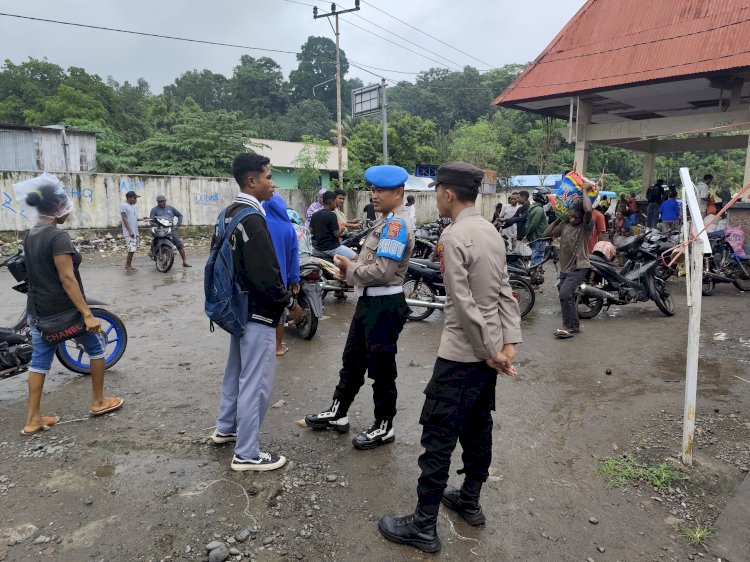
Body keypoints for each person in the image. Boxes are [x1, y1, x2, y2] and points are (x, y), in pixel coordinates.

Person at [378, 162, 521, 553]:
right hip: (487, 356)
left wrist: (492, 352)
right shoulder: (490, 230)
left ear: (447, 193)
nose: (436, 195)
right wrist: (508, 345)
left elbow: (462, 302)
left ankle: (423, 525)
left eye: (437, 189)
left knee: (438, 435)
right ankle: (469, 501)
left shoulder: (454, 236)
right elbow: (505, 291)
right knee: (478, 426)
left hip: (462, 355)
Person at [304, 165, 414, 450]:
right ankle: (338, 412)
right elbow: (370, 264)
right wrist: (348, 270)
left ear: (398, 192)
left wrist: (350, 269)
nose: (374, 195)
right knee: (352, 360)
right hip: (369, 300)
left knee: (381, 368)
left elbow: (383, 271)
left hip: (385, 304)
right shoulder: (384, 221)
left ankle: (384, 425)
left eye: (380, 190)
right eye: (373, 190)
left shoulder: (396, 225)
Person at [209, 151, 303, 472]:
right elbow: (267, 275)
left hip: (236, 309)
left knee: (235, 372)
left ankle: (226, 428)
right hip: (259, 314)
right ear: (252, 181)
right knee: (256, 383)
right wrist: (290, 304)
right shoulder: (253, 218)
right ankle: (247, 453)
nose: (272, 184)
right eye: (268, 177)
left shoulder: (227, 214)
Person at [14, 173, 124, 436]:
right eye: (64, 204)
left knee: (39, 361)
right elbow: (67, 278)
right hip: (64, 311)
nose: (67, 210)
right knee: (97, 347)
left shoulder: (30, 234)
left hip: (38, 310)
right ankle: (98, 401)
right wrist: (87, 314)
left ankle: (33, 419)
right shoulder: (57, 237)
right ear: (56, 208)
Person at [544, 191, 595, 339]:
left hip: (579, 266)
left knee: (565, 294)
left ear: (582, 217)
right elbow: (546, 234)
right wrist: (558, 220)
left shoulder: (585, 227)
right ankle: (575, 326)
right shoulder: (565, 224)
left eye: (576, 217)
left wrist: (585, 190)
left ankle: (567, 326)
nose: (573, 218)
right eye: (571, 215)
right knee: (568, 297)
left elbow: (589, 210)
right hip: (565, 268)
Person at [262, 194, 300, 357]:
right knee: (279, 313)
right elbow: (293, 256)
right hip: (280, 279)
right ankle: (277, 347)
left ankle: (263, 346)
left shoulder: (261, 224)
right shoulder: (288, 228)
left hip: (261, 278)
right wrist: (294, 279)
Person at [310, 191, 357, 260]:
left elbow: (311, 230)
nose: (335, 205)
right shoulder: (332, 215)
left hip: (319, 247)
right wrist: (342, 230)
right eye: (335, 202)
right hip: (332, 248)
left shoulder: (315, 215)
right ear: (332, 202)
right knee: (357, 258)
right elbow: (337, 234)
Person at [149, 195, 191, 267]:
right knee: (154, 239)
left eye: (163, 201)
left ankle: (184, 261)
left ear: (165, 201)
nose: (162, 203)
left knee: (178, 243)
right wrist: (154, 224)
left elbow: (180, 215)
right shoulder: (154, 210)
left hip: (170, 228)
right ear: (157, 202)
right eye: (160, 202)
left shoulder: (170, 208)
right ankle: (152, 252)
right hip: (159, 228)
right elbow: (151, 220)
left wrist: (178, 225)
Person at [121, 190, 147, 272]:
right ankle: (127, 266)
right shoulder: (124, 206)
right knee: (131, 249)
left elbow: (134, 218)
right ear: (129, 198)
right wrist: (130, 231)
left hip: (134, 231)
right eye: (135, 198)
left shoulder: (132, 206)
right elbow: (124, 219)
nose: (136, 200)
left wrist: (142, 219)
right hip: (130, 232)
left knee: (133, 249)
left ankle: (128, 265)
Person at [524, 189, 549, 265]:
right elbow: (533, 224)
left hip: (535, 238)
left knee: (535, 257)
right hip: (538, 238)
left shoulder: (534, 207)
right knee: (537, 259)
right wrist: (528, 235)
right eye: (546, 196)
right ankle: (534, 274)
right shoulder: (539, 209)